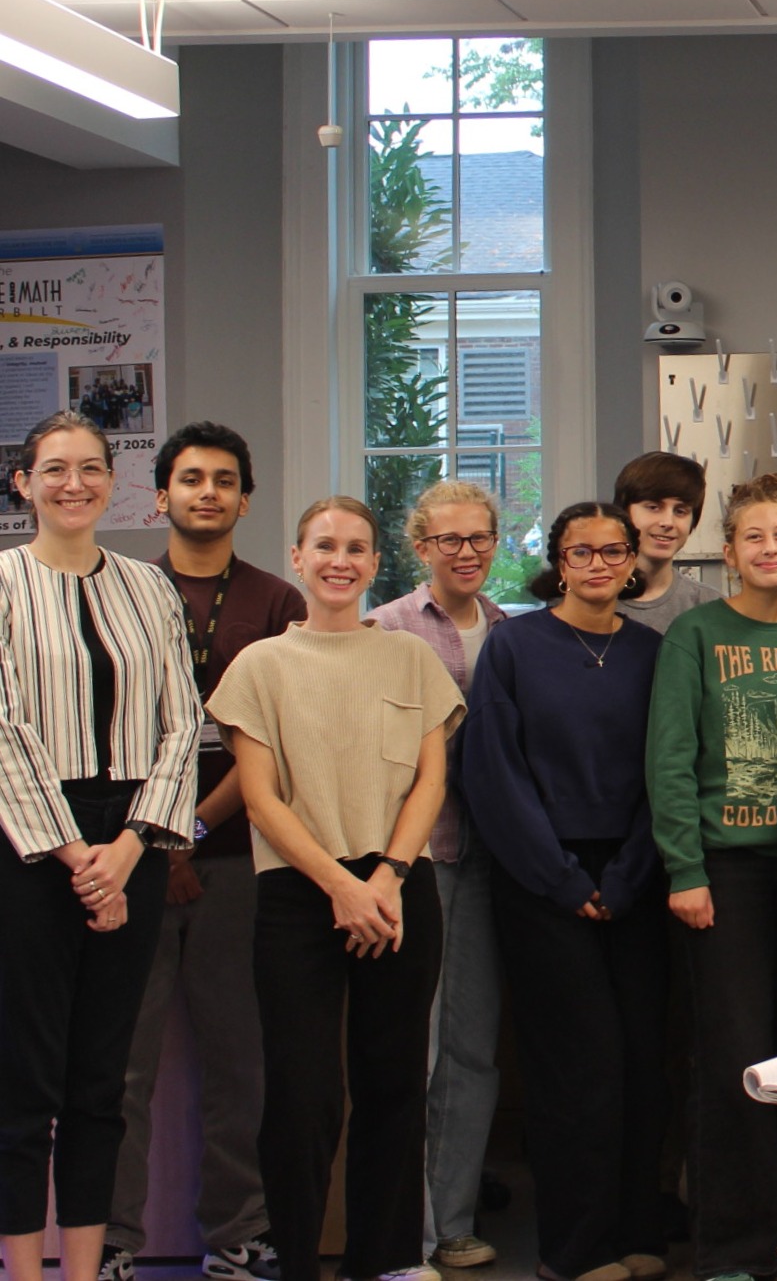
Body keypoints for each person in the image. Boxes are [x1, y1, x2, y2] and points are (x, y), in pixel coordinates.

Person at [208, 495, 464, 1281]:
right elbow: (260, 798)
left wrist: (384, 876)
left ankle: (385, 1259)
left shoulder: (409, 659)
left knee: (394, 1083)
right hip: (298, 891)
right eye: (324, 546)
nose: (340, 560)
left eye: (356, 548)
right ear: (297, 558)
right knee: (302, 1092)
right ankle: (296, 1261)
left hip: (396, 886)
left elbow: (430, 782)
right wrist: (339, 888)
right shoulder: (260, 666)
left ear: (375, 563)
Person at [0, 411, 201, 1281]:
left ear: (113, 481)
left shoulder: (148, 589)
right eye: (53, 469)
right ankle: (21, 1269)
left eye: (89, 468)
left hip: (135, 841)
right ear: (23, 484)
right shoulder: (2, 582)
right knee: (23, 1084)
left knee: (101, 1081)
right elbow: (2, 727)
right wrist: (75, 854)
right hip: (28, 847)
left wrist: (127, 850)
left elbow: (183, 723)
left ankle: (82, 1272)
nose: (72, 483)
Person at [108, 423, 305, 1281]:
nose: (207, 493)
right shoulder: (115, 591)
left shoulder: (275, 603)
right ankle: (110, 1241)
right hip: (126, 862)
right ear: (161, 495)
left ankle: (237, 1236)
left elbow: (277, 740)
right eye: (189, 478)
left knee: (239, 1062)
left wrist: (188, 835)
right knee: (121, 1066)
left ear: (245, 499)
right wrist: (157, 840)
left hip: (237, 858)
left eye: (225, 480)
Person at [460, 503, 669, 1281]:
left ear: (630, 561)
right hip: (543, 880)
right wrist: (558, 876)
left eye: (613, 551)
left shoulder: (653, 650)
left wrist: (629, 873)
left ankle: (639, 1233)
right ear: (556, 560)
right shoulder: (514, 646)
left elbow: (669, 766)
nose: (598, 564)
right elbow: (491, 771)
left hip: (637, 875)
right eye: (580, 551)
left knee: (643, 1058)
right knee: (575, 1068)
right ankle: (575, 1250)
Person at [646, 473, 777, 1281]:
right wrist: (684, 868)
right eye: (753, 536)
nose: (769, 549)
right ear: (729, 551)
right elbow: (670, 759)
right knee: (732, 1059)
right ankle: (729, 1244)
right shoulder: (695, 635)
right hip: (722, 873)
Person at [367, 480, 506, 1272]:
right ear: (420, 547)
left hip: (491, 864)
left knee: (473, 1050)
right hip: (409, 862)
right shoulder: (382, 630)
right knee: (412, 1050)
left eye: (479, 537)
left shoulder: (513, 632)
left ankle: (453, 1220)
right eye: (448, 539)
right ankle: (407, 1232)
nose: (466, 552)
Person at [614, 451, 723, 635]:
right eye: (653, 507)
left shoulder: (710, 606)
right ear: (625, 512)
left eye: (680, 511)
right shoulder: (593, 601)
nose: (668, 522)